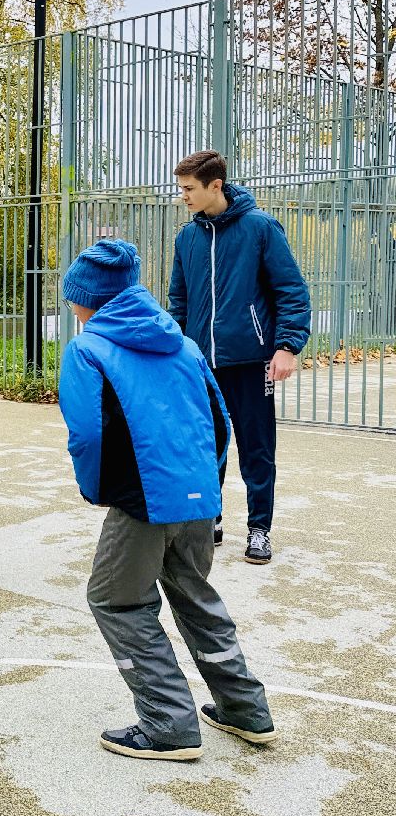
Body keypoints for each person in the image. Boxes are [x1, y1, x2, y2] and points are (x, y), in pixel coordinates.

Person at [60, 238, 275, 761]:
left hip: (143, 500)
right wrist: (207, 485)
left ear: (87, 298)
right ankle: (246, 710)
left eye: (73, 296)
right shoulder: (184, 345)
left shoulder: (87, 350)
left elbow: (87, 434)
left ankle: (168, 724)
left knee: (116, 600)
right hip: (198, 496)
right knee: (196, 597)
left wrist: (95, 489)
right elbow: (220, 421)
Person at [168, 150, 311, 563]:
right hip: (201, 363)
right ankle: (208, 519)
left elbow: (291, 291)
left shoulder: (260, 227)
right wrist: (176, 351)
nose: (183, 196)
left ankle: (259, 528)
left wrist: (286, 347)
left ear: (215, 185)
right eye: (181, 189)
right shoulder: (187, 238)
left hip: (251, 361)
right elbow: (179, 301)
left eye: (189, 188)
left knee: (256, 448)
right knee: (205, 447)